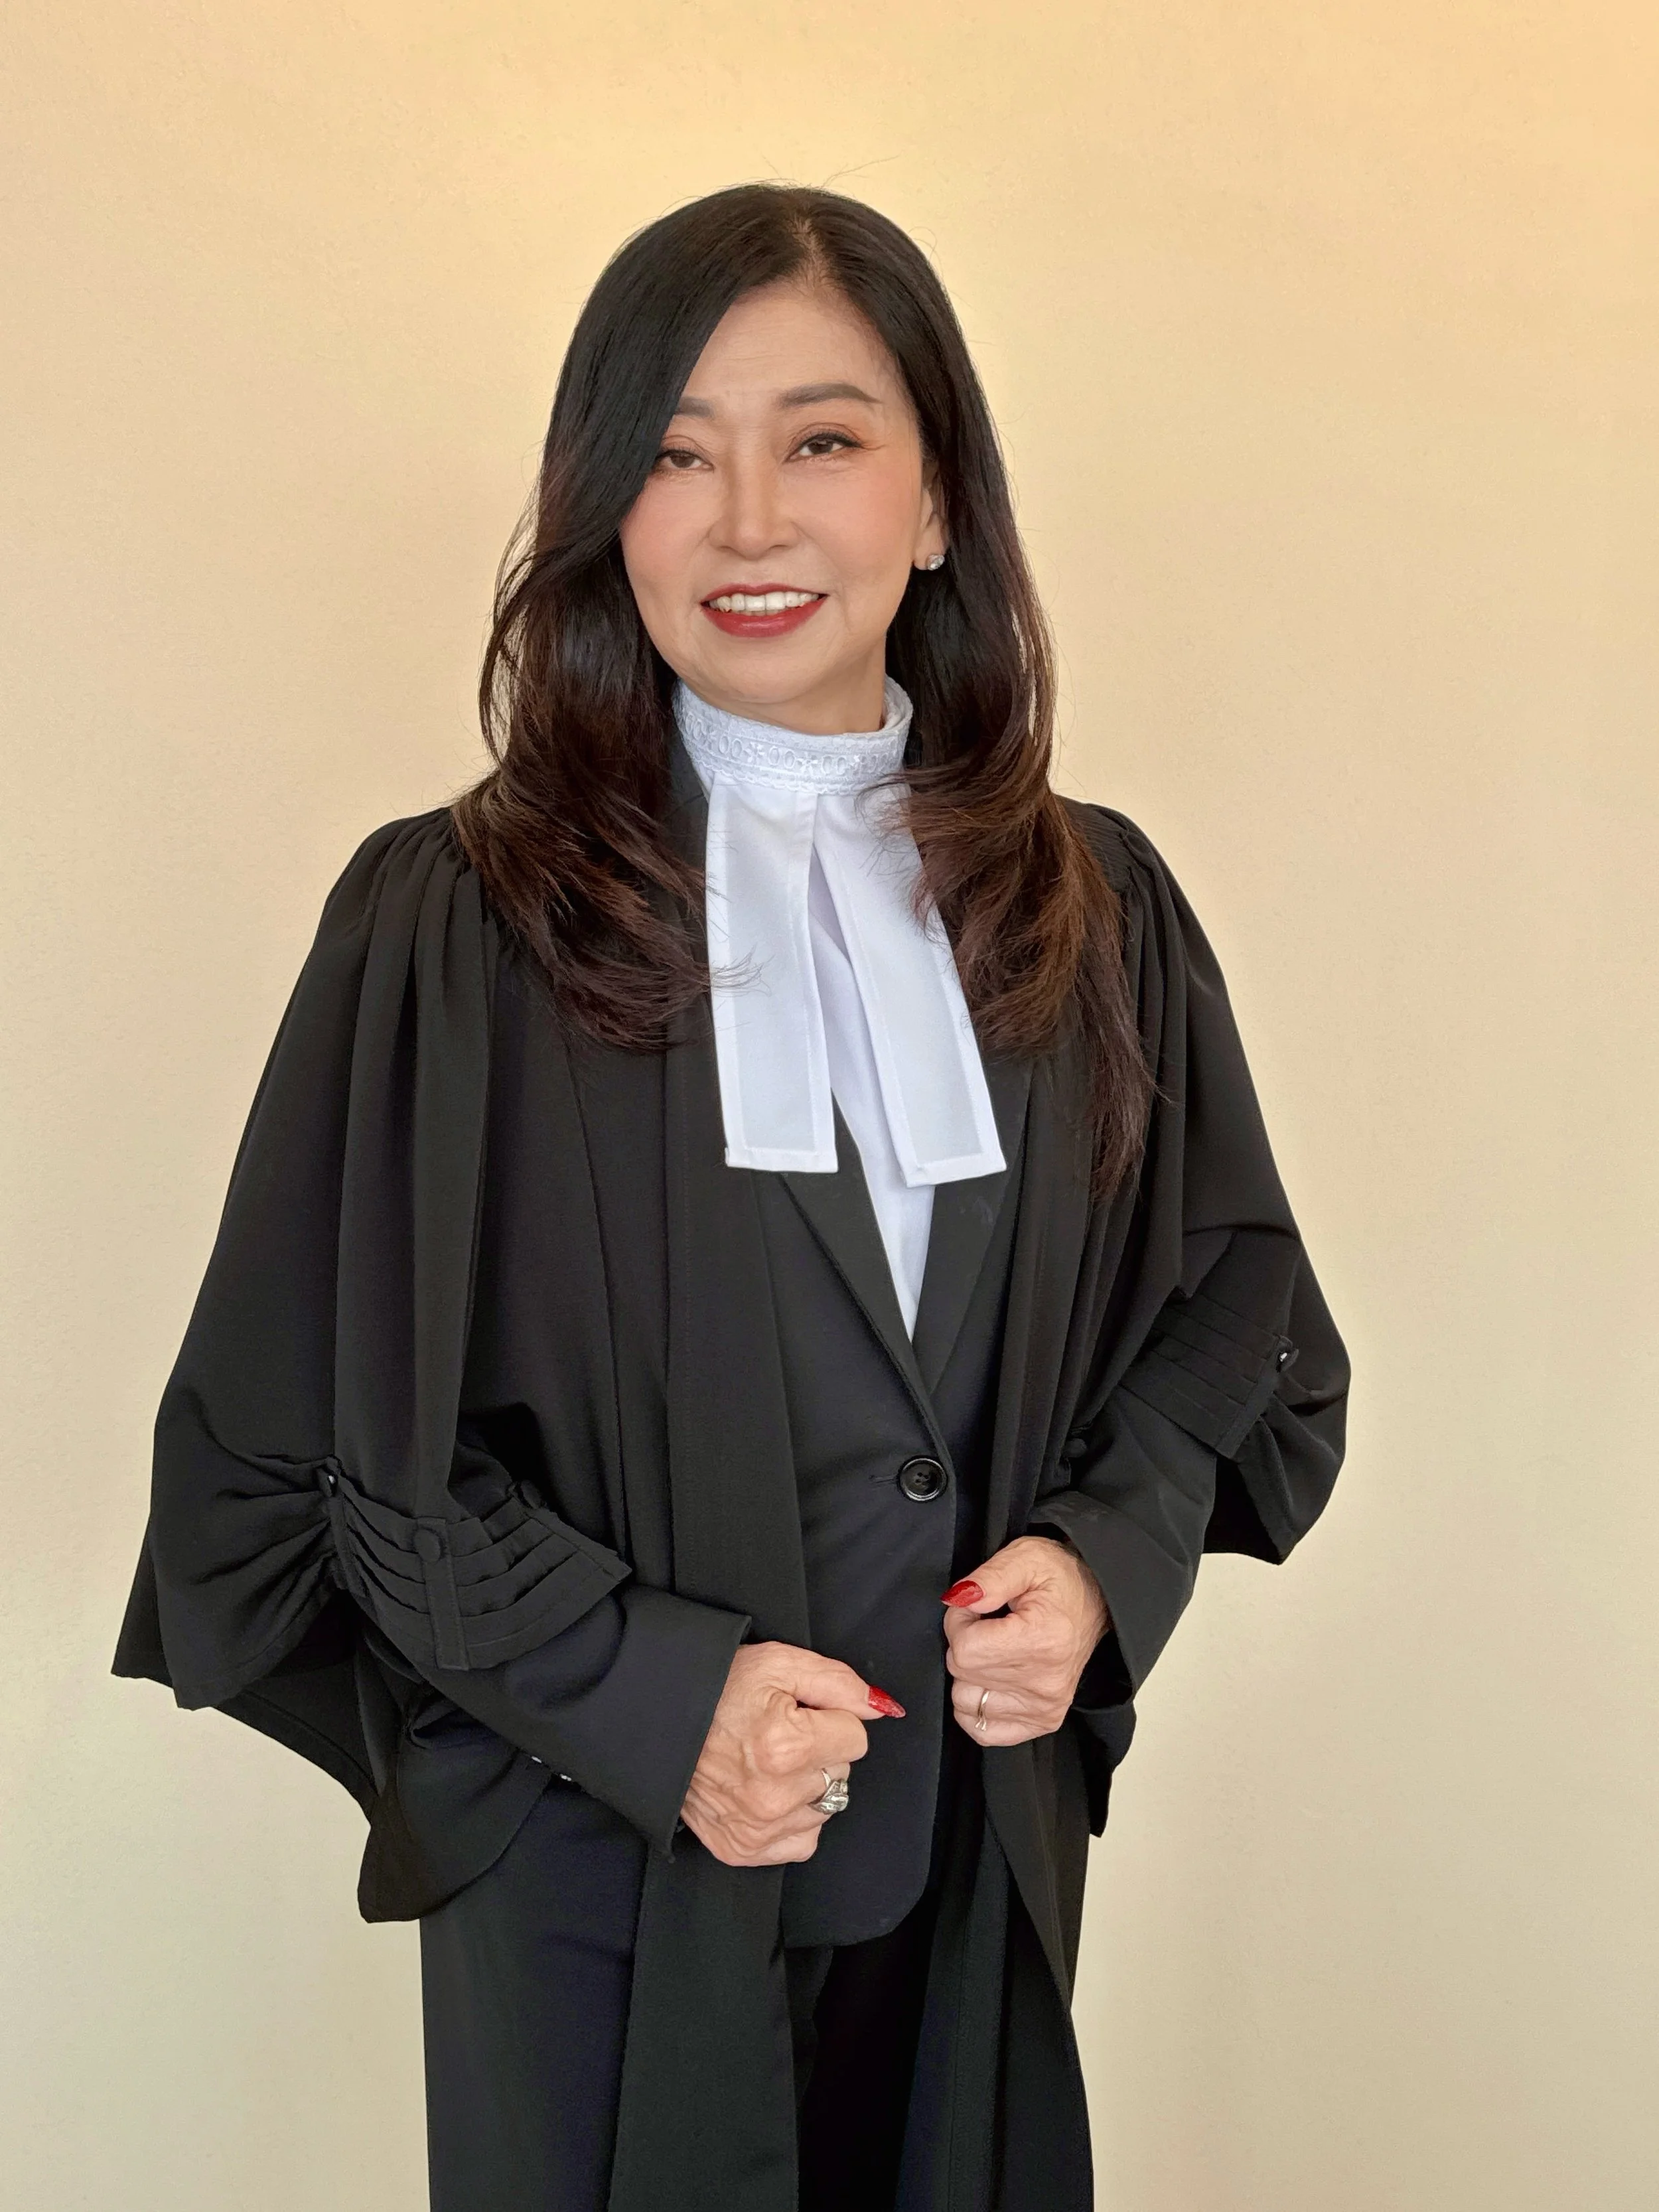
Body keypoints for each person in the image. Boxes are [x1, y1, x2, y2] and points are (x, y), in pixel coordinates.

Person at [113, 183, 1349, 2212]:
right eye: (677, 453)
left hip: (966, 1867)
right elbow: (333, 1436)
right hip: (605, 1883)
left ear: (938, 499)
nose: (749, 518)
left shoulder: (1093, 910)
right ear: (608, 505)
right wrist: (651, 1693)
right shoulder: (456, 924)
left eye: (823, 440)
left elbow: (1238, 1310)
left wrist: (1105, 1557)